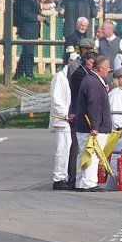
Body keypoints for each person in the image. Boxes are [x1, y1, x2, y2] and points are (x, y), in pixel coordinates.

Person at [73, 54, 116, 190]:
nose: (109, 70)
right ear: (101, 68)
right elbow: (94, 105)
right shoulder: (94, 83)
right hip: (91, 128)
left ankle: (80, 182)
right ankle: (89, 183)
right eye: (107, 68)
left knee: (84, 154)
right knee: (92, 154)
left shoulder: (91, 80)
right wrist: (95, 126)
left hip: (84, 126)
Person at [50, 49, 79, 190]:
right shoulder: (60, 77)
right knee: (62, 148)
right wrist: (66, 115)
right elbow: (56, 99)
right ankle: (58, 178)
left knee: (68, 148)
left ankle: (64, 176)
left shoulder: (71, 76)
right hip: (62, 119)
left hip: (69, 118)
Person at [11, 0, 44, 79]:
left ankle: (18, 74)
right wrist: (36, 17)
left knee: (26, 52)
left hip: (30, 28)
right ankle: (29, 74)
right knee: (28, 52)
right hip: (28, 28)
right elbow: (24, 13)